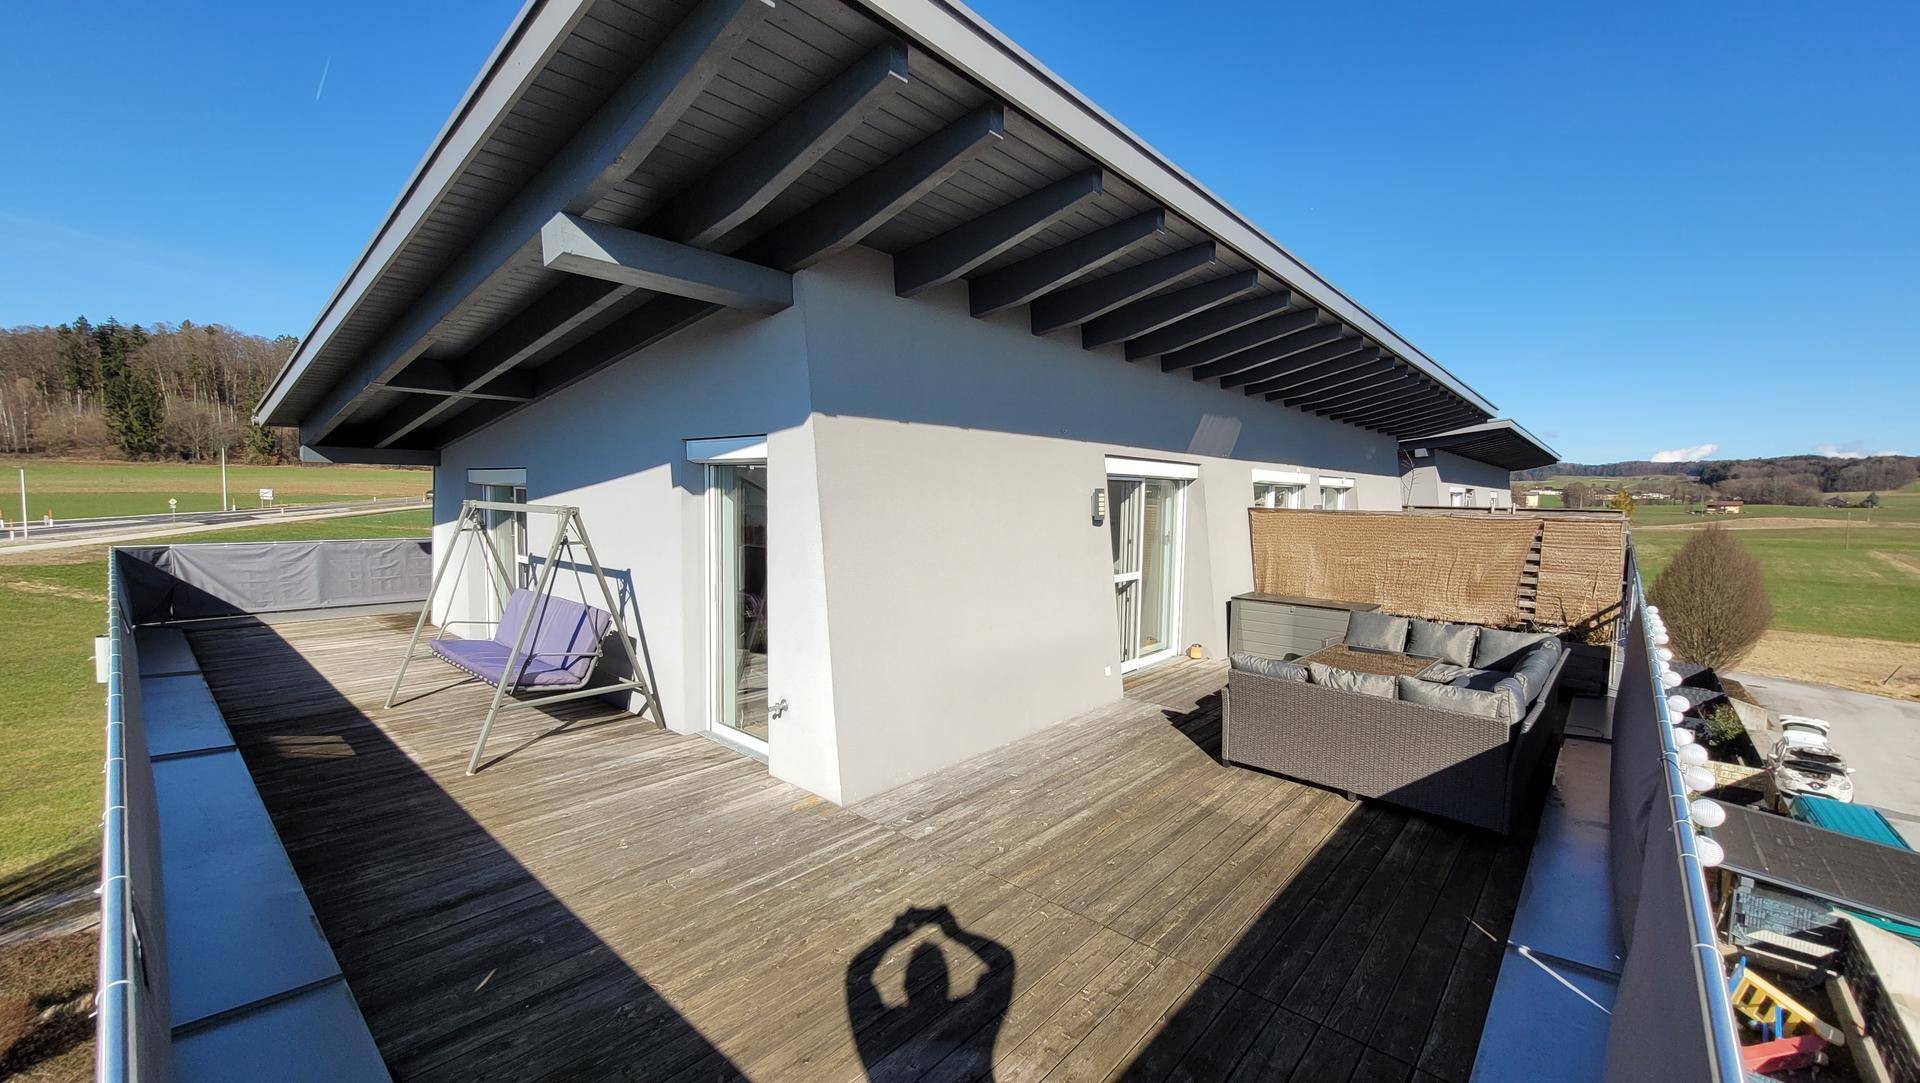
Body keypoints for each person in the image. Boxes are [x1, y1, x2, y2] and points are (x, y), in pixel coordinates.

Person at [845, 904, 1015, 1077]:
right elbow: (1004, 962)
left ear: (905, 985)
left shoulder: (888, 1026)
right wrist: (955, 932)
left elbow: (857, 976)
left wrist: (893, 935)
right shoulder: (969, 1017)